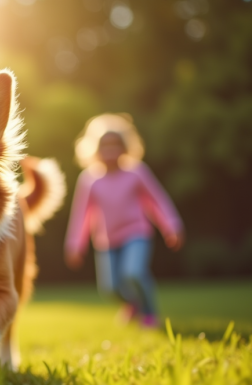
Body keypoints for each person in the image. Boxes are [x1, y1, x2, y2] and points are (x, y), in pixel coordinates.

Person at [64, 113, 184, 328]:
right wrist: (75, 244)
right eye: (105, 145)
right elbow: (82, 214)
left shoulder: (136, 173)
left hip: (136, 234)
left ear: (125, 147)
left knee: (133, 274)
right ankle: (133, 305)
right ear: (95, 149)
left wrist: (171, 226)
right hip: (107, 240)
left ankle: (149, 313)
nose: (110, 150)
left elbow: (157, 201)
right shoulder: (90, 179)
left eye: (115, 145)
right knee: (110, 288)